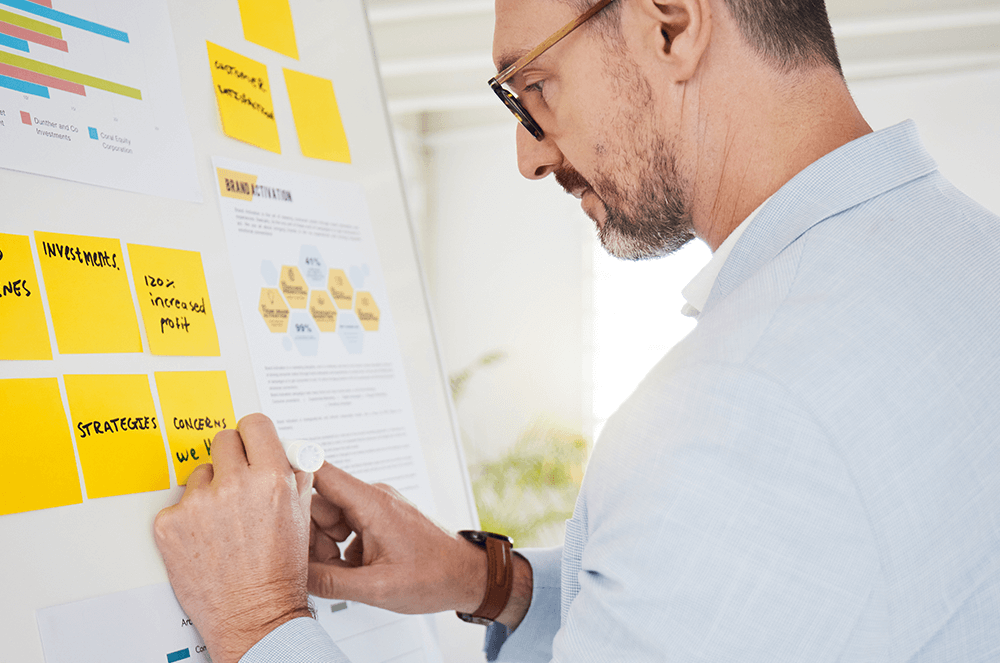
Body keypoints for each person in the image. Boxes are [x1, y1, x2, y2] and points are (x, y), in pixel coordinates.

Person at [154, 0, 1000, 660]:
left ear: (671, 26)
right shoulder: (969, 255)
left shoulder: (741, 410)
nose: (527, 157)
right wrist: (494, 582)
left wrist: (259, 623)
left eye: (533, 86)